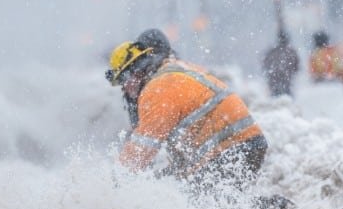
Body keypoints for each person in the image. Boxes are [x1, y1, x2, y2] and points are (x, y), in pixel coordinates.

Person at [107, 39, 268, 187]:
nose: (124, 89)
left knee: (205, 206)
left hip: (228, 147)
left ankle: (275, 208)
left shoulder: (156, 90)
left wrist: (117, 179)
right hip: (246, 143)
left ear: (134, 72)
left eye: (123, 81)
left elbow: (143, 148)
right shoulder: (175, 70)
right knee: (227, 204)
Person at [262, 29, 300, 97]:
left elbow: (265, 64)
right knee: (287, 99)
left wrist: (272, 73)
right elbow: (296, 67)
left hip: (274, 80)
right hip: (286, 80)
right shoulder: (291, 52)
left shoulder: (272, 51)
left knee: (275, 100)